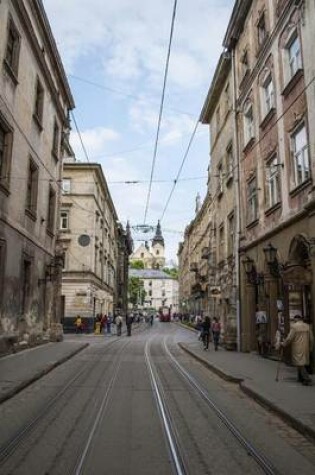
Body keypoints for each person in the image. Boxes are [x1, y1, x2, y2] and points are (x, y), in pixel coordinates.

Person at [281, 315, 314, 386]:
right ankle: (300, 378)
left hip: (297, 347)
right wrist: (311, 347)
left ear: (296, 319)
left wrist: (284, 343)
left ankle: (306, 378)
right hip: (305, 347)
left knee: (300, 363)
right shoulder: (307, 326)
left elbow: (290, 338)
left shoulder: (294, 327)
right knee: (302, 362)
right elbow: (311, 338)